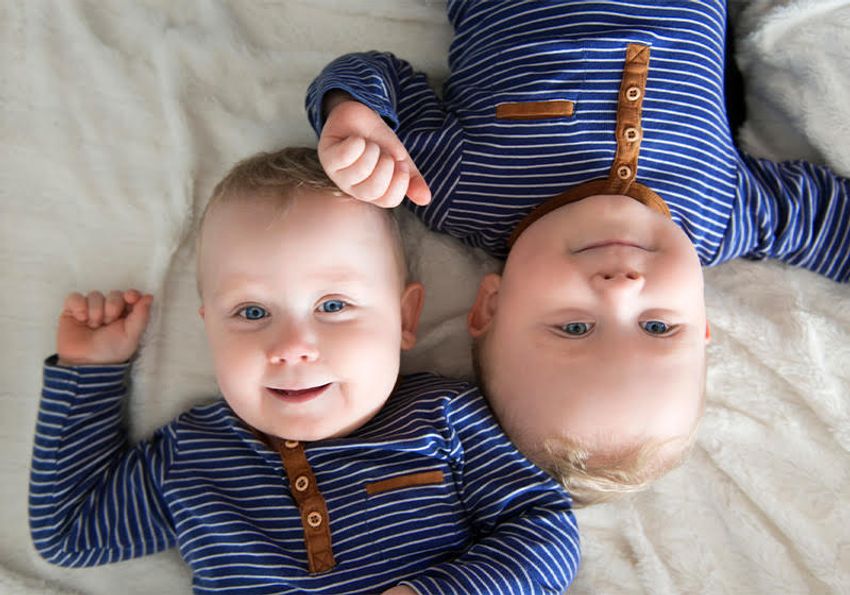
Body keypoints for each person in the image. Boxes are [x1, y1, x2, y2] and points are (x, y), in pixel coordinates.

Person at [306, 0, 850, 505]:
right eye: (659, 327)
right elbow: (834, 224)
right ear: (702, 319)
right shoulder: (724, 213)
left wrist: (353, 118)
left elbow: (377, 76)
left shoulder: (456, 188)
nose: (621, 290)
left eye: (574, 327)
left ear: (491, 306)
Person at [29, 148, 580, 594]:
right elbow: (72, 533)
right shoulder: (193, 456)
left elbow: (545, 529)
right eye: (251, 313)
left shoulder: (444, 418)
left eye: (333, 306)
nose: (292, 346)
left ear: (405, 318)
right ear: (208, 330)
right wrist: (90, 372)